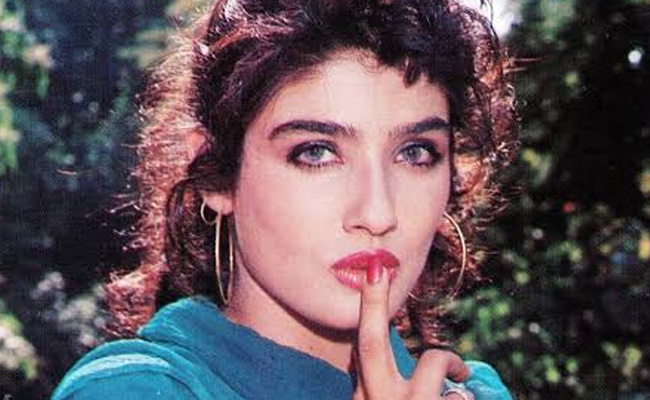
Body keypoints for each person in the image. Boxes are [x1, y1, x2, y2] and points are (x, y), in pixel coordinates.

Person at [51, 0, 519, 399]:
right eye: (316, 153)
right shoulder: (129, 389)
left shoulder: (474, 392)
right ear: (215, 174)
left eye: (415, 153)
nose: (378, 213)